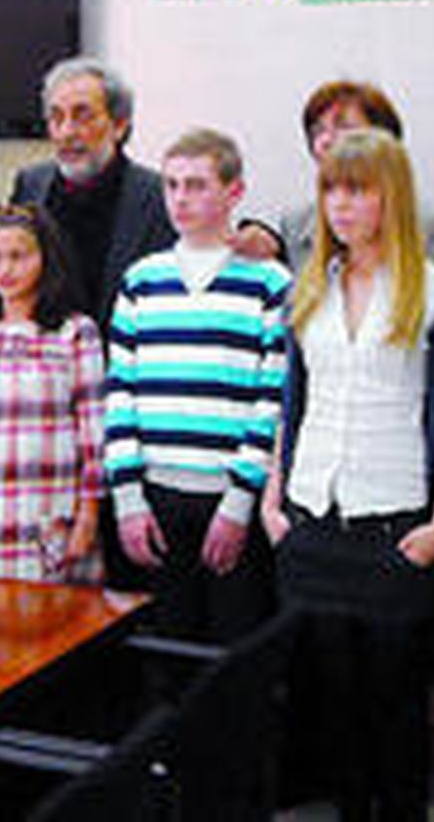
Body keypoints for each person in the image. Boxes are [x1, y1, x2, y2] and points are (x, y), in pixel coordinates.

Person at [261, 128, 434, 821]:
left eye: (357, 190)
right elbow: (290, 404)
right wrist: (272, 501)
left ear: (393, 196)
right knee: (335, 711)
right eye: (331, 190)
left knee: (397, 707)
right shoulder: (309, 287)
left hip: (395, 525)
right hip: (312, 521)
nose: (341, 205)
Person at [105, 128, 290, 642]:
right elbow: (119, 394)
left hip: (231, 498)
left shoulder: (271, 283)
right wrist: (128, 498)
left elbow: (272, 402)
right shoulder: (142, 279)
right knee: (167, 644)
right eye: (171, 185)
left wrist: (239, 502)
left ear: (235, 192)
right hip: (155, 495)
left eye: (196, 185)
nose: (180, 199)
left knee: (234, 645)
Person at [0, 205, 105, 582]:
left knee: (56, 612)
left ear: (46, 260)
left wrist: (88, 515)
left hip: (49, 509)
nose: (5, 269)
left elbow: (93, 435)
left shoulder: (74, 332)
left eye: (18, 257)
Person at [233, 80, 434, 285]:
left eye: (343, 127)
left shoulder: (431, 225)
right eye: (317, 131)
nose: (325, 141)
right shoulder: (296, 225)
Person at [11, 56, 176, 330]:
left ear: (119, 125)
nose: (66, 132)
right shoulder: (30, 186)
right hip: (44, 349)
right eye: (56, 117)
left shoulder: (158, 196)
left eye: (82, 116)